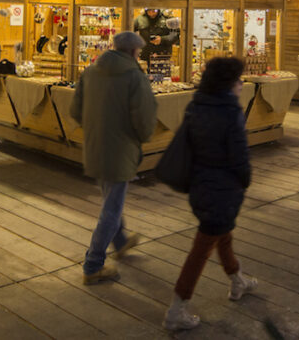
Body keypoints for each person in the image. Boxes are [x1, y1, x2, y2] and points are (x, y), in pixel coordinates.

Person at [164, 57, 258, 331]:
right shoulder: (230, 113)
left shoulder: (197, 106)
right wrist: (245, 179)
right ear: (228, 83)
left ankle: (237, 279)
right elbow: (239, 157)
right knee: (202, 248)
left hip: (200, 184)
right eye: (239, 79)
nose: (242, 84)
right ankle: (176, 309)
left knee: (222, 236)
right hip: (222, 188)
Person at [71, 31, 158, 285]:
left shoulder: (90, 72)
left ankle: (120, 242)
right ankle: (93, 265)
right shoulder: (134, 77)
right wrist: (141, 138)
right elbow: (144, 118)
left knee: (110, 197)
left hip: (95, 145)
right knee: (111, 208)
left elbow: (75, 110)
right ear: (133, 52)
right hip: (121, 149)